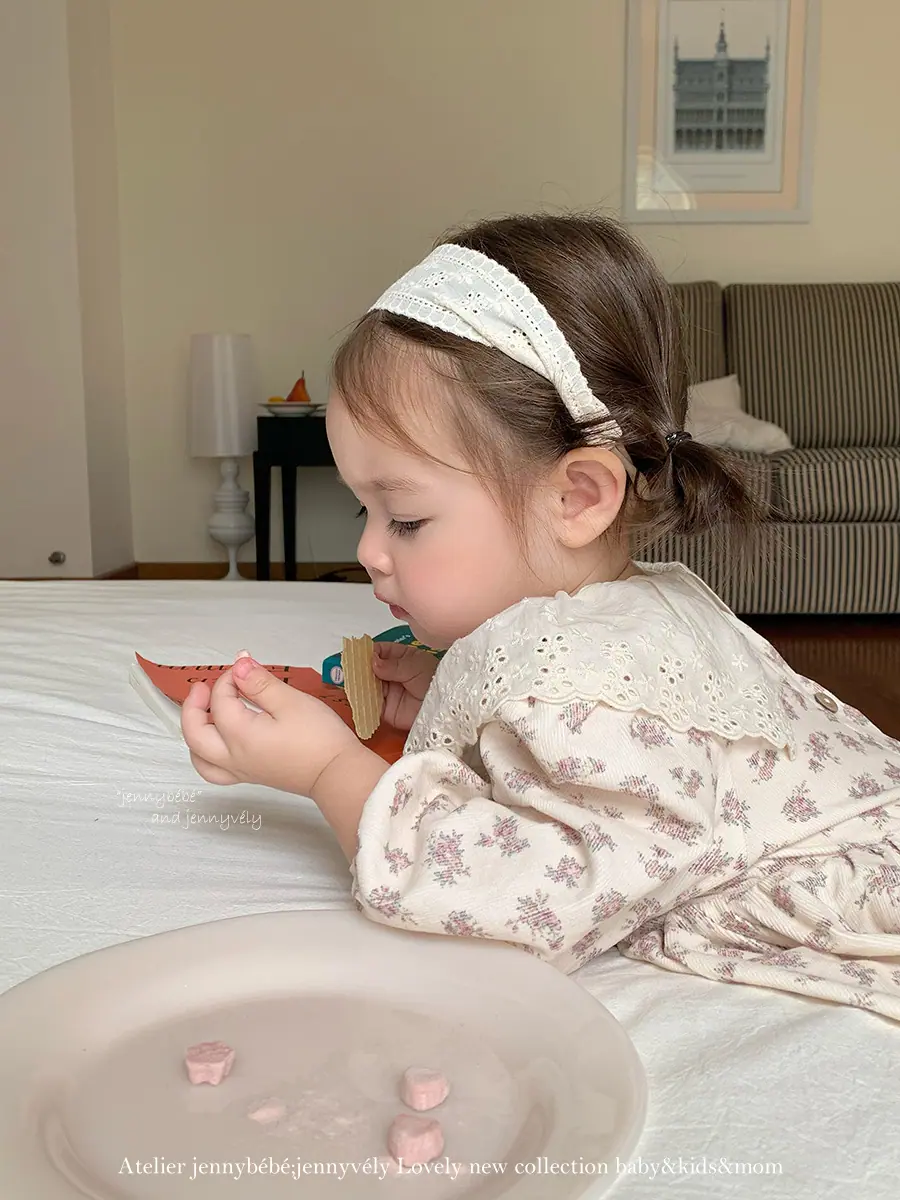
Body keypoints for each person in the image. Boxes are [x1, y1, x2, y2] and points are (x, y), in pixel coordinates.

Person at [181, 213, 900, 1021]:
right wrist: (455, 697)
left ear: (577, 498)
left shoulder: (583, 684)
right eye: (363, 510)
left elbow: (526, 905)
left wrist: (329, 772)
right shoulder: (633, 605)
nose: (369, 551)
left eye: (405, 519)